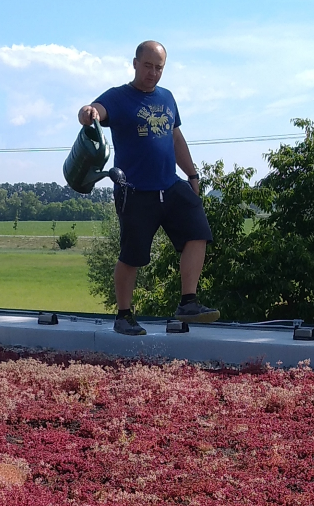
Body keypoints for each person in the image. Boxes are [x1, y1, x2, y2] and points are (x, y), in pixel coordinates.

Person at [79, 40, 219, 336]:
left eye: (159, 67)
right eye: (148, 66)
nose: (153, 73)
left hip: (170, 185)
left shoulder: (167, 98)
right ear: (135, 63)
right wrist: (88, 112)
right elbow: (96, 111)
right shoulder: (119, 97)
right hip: (135, 191)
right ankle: (124, 316)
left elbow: (176, 138)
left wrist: (192, 175)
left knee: (198, 231)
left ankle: (188, 302)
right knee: (133, 255)